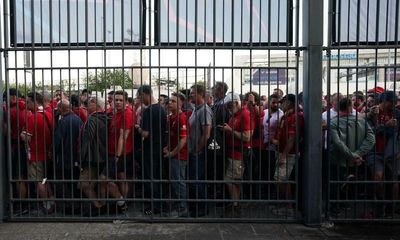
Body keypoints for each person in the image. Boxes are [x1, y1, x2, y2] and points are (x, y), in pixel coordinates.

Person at [329, 98, 375, 214]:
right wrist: (358, 154)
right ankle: (345, 204)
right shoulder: (361, 121)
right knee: (350, 182)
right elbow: (371, 139)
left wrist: (352, 155)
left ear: (339, 107)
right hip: (356, 160)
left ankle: (334, 207)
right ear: (351, 107)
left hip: (339, 159)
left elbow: (337, 142)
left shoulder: (334, 122)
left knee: (336, 183)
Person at [366, 91, 400, 217]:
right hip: (375, 151)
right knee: (378, 177)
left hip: (393, 151)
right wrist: (385, 125)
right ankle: (379, 206)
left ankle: (391, 209)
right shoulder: (372, 114)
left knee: (393, 181)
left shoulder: (397, 114)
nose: (394, 104)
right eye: (392, 102)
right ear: (384, 101)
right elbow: (369, 133)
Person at [20, 92, 55, 213]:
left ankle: (47, 205)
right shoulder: (48, 114)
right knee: (45, 179)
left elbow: (26, 137)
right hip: (47, 153)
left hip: (35, 155)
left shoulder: (33, 117)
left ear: (35, 102)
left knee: (38, 181)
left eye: (28, 101)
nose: (26, 103)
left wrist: (22, 132)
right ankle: (51, 201)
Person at [101, 90, 134, 212]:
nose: (118, 102)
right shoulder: (116, 113)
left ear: (126, 101)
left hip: (120, 153)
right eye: (116, 100)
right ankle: (123, 203)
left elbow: (123, 137)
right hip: (113, 152)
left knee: (103, 178)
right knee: (121, 177)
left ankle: (121, 202)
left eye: (121, 100)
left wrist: (117, 155)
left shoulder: (127, 114)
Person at [135, 85, 166, 215]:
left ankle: (154, 207)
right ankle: (160, 204)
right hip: (160, 148)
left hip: (150, 149)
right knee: (158, 177)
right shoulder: (161, 109)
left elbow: (146, 134)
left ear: (145, 95)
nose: (139, 99)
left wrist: (138, 128)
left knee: (150, 178)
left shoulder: (148, 111)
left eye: (139, 96)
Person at [271, 94, 304, 215]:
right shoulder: (287, 116)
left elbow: (292, 138)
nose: (280, 105)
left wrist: (283, 156)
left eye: (282, 102)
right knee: (281, 179)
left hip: (288, 154)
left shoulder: (296, 116)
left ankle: (289, 207)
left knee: (281, 179)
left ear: (289, 103)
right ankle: (285, 205)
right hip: (281, 151)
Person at [220, 92, 252, 216]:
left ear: (236, 102)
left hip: (239, 154)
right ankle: (235, 204)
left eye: (229, 104)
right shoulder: (235, 114)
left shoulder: (244, 115)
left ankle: (235, 205)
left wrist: (229, 130)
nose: (227, 107)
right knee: (234, 180)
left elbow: (246, 136)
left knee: (230, 180)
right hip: (232, 153)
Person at [79, 96, 109, 214]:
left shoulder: (92, 119)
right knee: (98, 182)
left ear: (96, 104)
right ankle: (102, 204)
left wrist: (81, 158)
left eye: (89, 103)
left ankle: (98, 206)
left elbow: (88, 139)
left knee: (84, 183)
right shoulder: (105, 118)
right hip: (102, 155)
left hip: (92, 157)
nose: (86, 106)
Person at [53, 99, 83, 213]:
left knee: (65, 183)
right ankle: (77, 205)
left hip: (64, 158)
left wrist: (53, 153)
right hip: (75, 157)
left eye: (58, 108)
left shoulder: (63, 122)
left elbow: (57, 141)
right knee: (74, 182)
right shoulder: (78, 119)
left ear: (62, 109)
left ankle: (70, 206)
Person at [188, 84, 212, 217]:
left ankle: (202, 208)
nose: (190, 95)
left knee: (197, 181)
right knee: (195, 180)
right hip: (194, 152)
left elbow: (206, 134)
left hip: (199, 153)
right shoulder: (196, 110)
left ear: (200, 94)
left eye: (193, 93)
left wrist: (197, 149)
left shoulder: (204, 111)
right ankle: (197, 206)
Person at [4, 89, 30, 212]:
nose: (5, 100)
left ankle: (21, 205)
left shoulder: (10, 112)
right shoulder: (27, 109)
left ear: (13, 97)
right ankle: (27, 203)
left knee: (18, 176)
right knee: (24, 176)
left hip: (15, 146)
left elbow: (6, 132)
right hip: (27, 146)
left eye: (6, 97)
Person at [163, 92, 189, 217]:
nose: (170, 103)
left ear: (181, 104)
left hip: (179, 156)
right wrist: (167, 148)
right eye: (169, 101)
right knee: (174, 181)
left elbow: (183, 139)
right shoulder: (171, 117)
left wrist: (172, 153)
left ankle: (182, 208)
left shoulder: (181, 118)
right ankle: (177, 205)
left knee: (179, 181)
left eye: (174, 101)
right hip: (173, 154)